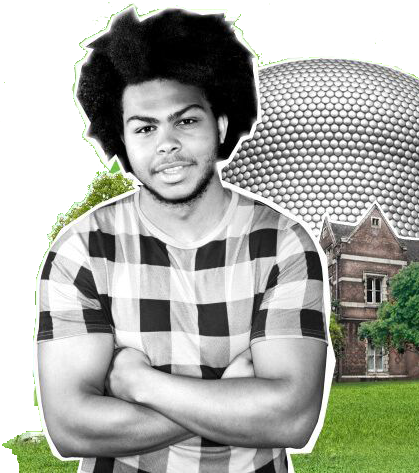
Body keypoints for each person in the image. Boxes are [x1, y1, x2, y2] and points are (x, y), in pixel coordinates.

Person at [35, 7, 329, 473]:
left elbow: (291, 418)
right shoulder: (81, 250)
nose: (166, 143)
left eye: (186, 120)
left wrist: (137, 383)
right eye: (145, 128)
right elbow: (71, 427)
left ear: (221, 125)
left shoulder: (284, 243)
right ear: (122, 142)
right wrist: (230, 396)